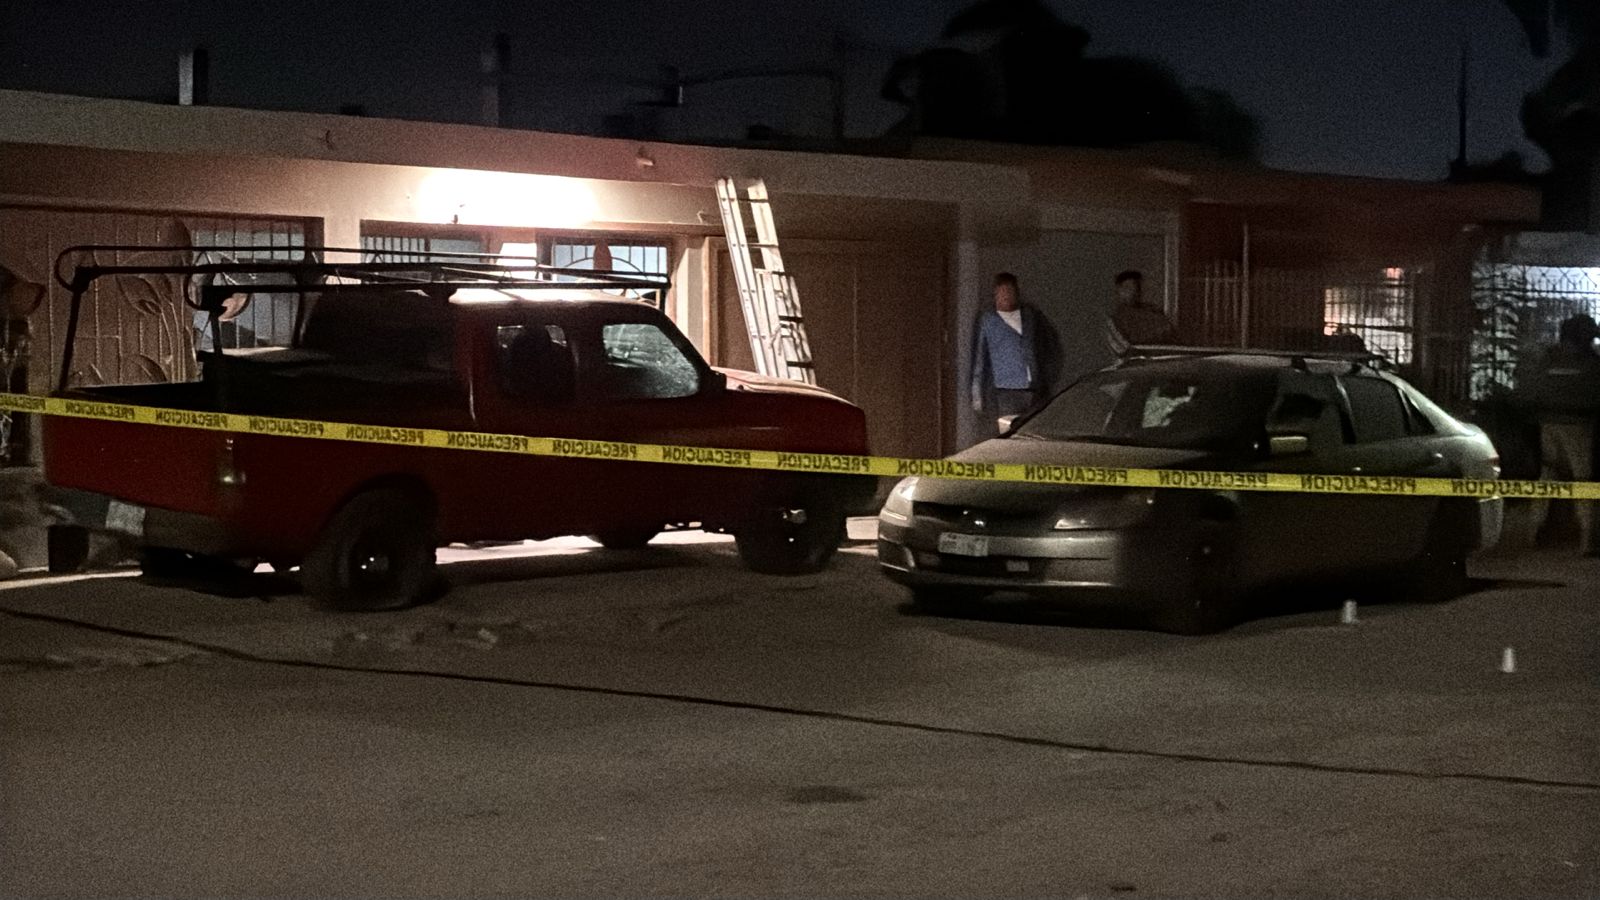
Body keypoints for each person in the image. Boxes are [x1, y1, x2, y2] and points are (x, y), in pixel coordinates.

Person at [1522, 314, 1600, 554]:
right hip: (1579, 426)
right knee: (1583, 480)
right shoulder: (1590, 361)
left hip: (1548, 423)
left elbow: (1532, 390)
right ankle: (1588, 540)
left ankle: (1533, 532)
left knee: (1548, 476)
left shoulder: (1549, 357)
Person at [970, 272, 1052, 432]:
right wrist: (977, 395)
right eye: (1002, 292)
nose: (1006, 296)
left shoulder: (1030, 316)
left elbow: (1047, 347)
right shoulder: (988, 320)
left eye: (1009, 291)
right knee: (1009, 431)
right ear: (995, 294)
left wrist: (1046, 377)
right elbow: (979, 359)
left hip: (1033, 388)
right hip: (1005, 390)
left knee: (1033, 431)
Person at [1104, 270, 1177, 356]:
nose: (1132, 292)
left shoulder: (1154, 314)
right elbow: (1121, 348)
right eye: (1127, 288)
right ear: (1118, 291)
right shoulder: (1115, 319)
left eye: (1136, 288)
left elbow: (1169, 336)